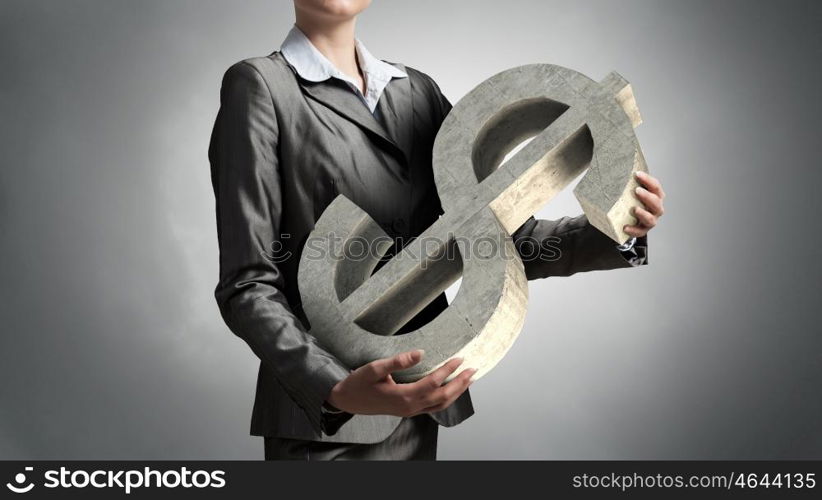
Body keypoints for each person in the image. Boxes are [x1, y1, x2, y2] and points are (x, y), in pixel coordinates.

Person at [208, 0, 665, 461]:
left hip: (418, 410)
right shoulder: (261, 86)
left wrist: (622, 232)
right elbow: (248, 284)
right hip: (323, 427)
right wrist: (336, 389)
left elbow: (501, 239)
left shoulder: (417, 92)